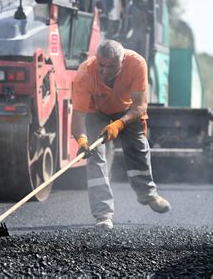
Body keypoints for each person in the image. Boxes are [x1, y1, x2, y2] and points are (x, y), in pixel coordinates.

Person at [71, 40, 171, 230]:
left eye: (111, 66)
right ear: (96, 60)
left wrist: (119, 124)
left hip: (126, 111)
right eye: (101, 65)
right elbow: (78, 116)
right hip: (95, 111)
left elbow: (140, 106)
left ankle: (148, 194)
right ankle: (103, 215)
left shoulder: (136, 64)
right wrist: (82, 140)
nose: (105, 70)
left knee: (138, 146)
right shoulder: (85, 74)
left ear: (122, 61)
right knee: (94, 157)